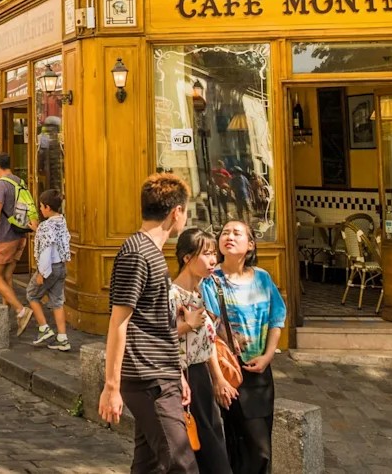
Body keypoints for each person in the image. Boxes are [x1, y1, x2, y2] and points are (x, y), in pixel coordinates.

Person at [98, 173, 196, 474]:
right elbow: (119, 321)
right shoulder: (137, 254)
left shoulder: (151, 252)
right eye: (186, 211)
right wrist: (111, 387)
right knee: (182, 464)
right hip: (147, 378)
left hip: (160, 374)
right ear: (176, 212)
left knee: (149, 466)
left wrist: (176, 373)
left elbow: (156, 324)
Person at [202, 219, 286, 474]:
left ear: (250, 244)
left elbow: (277, 318)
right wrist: (218, 379)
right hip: (228, 372)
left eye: (236, 233)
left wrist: (268, 356)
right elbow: (207, 335)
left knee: (261, 449)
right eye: (225, 233)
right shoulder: (211, 281)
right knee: (233, 444)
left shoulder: (262, 278)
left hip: (258, 373)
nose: (229, 236)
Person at [173, 228, 232, 474]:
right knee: (200, 446)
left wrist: (218, 378)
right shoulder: (172, 295)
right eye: (206, 254)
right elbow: (158, 336)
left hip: (202, 377)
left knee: (211, 441)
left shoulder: (200, 292)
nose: (213, 260)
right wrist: (187, 325)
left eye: (214, 254)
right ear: (187, 257)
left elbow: (207, 343)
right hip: (183, 378)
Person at [0, 153, 32, 334]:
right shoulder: (19, 181)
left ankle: (21, 311)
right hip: (19, 236)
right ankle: (6, 320)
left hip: (3, 237)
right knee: (6, 277)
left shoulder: (0, 185)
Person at [26, 189, 72, 351]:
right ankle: (62, 338)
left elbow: (46, 250)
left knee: (32, 295)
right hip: (61, 267)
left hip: (49, 268)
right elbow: (54, 238)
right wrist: (37, 230)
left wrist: (41, 273)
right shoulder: (61, 220)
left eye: (41, 206)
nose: (40, 209)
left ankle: (44, 328)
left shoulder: (46, 227)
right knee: (58, 302)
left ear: (47, 207)